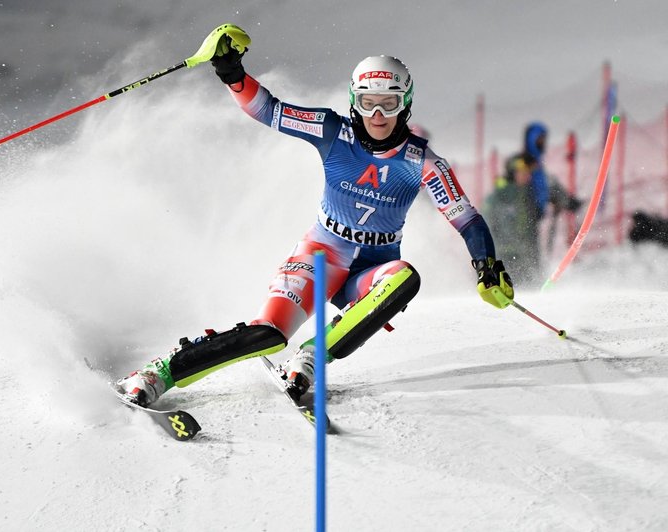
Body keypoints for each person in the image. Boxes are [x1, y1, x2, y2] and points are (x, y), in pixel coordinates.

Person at [115, 26, 515, 406]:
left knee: (404, 277)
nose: (377, 114)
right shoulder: (331, 130)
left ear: (405, 103)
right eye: (367, 102)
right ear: (353, 101)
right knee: (266, 336)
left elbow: (466, 218)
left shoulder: (422, 161)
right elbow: (268, 110)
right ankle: (157, 373)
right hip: (321, 256)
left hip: (368, 274)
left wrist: (487, 265)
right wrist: (231, 72)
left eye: (389, 103)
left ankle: (310, 359)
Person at [484, 154, 541, 284]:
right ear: (513, 173)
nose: (527, 176)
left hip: (524, 255)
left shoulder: (525, 193)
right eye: (523, 173)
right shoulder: (502, 196)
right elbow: (493, 225)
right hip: (507, 256)